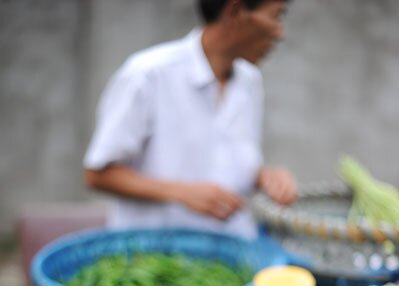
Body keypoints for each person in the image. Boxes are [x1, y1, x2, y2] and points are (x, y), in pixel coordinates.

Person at [84, 0, 297, 239]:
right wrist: (182, 193)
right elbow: (98, 174)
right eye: (276, 16)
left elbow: (228, 161)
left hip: (232, 251)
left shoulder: (249, 81)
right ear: (235, 11)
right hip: (153, 253)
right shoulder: (147, 75)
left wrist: (264, 176)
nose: (279, 33)